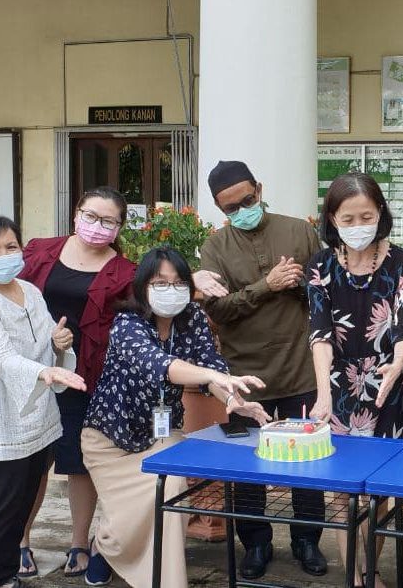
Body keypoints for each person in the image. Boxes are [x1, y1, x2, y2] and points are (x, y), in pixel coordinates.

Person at [80, 246, 270, 588]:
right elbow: (163, 365)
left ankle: (167, 581)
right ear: (142, 286)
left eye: (179, 282)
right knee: (121, 527)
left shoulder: (193, 319)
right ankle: (104, 544)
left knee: (171, 484)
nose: (171, 290)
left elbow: (210, 365)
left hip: (162, 434)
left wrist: (232, 398)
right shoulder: (127, 323)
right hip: (111, 437)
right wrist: (214, 378)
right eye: (160, 282)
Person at [199, 160, 328, 580]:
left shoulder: (298, 231)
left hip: (299, 368)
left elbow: (328, 293)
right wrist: (265, 286)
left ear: (259, 187)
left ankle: (307, 539)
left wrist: (301, 284)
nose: (242, 211)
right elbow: (218, 310)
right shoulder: (215, 248)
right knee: (247, 467)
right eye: (231, 209)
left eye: (247, 201)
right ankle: (255, 544)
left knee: (307, 463)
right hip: (244, 374)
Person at [0, 215, 88, 588]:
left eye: (10, 247)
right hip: (4, 421)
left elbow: (49, 341)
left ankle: (2, 575)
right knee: (1, 507)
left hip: (41, 417)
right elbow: (1, 358)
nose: (4, 255)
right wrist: (44, 372)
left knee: (23, 504)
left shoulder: (30, 291)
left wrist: (60, 347)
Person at [15, 187, 136, 578]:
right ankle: (19, 541)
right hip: (34, 371)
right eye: (91, 216)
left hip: (87, 378)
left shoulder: (125, 273)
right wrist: (46, 339)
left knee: (79, 461)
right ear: (75, 214)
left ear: (119, 227)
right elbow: (12, 301)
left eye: (108, 221)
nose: (97, 227)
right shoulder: (39, 251)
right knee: (31, 461)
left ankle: (79, 542)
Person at [306, 172, 403, 587]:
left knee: (384, 487)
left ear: (381, 214)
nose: (358, 226)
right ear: (332, 219)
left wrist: (398, 364)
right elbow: (319, 334)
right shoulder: (320, 266)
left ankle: (372, 569)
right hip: (337, 386)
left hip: (388, 385)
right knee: (340, 489)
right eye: (348, 218)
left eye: (366, 216)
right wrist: (322, 395)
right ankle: (353, 575)